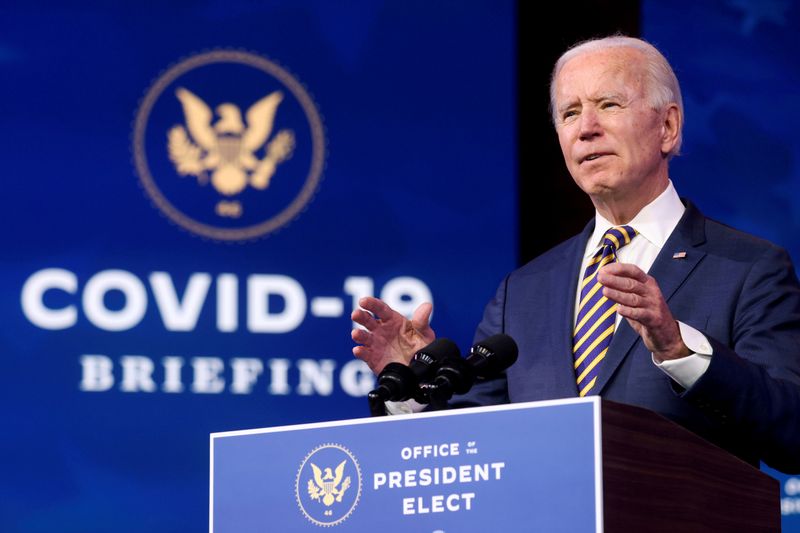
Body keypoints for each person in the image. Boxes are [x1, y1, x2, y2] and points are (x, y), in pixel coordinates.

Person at [351, 36, 800, 474]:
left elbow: (792, 433)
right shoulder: (522, 291)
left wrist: (679, 351)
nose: (586, 128)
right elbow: (473, 451)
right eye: (569, 113)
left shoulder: (749, 269)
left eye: (609, 104)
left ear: (667, 127)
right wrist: (411, 390)